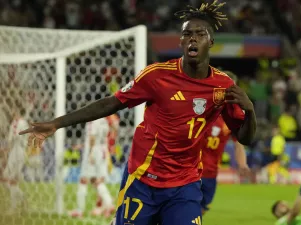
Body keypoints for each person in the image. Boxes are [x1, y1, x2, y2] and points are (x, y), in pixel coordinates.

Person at [19, 1, 257, 224]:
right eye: (187, 34)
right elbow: (111, 103)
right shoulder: (156, 76)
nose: (192, 39)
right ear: (181, 42)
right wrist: (56, 124)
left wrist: (250, 111)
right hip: (144, 178)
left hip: (185, 183)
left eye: (199, 34)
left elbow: (245, 138)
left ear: (211, 41)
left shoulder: (223, 86)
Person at [200, 71, 250, 215]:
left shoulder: (232, 117)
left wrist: (242, 163)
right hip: (191, 170)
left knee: (201, 210)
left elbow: (238, 144)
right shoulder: (202, 108)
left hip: (211, 173)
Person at [69, 117, 114, 218]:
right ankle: (109, 204)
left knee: (83, 180)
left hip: (93, 151)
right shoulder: (104, 121)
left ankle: (79, 211)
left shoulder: (92, 120)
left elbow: (92, 137)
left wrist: (90, 153)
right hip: (102, 150)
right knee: (96, 180)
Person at [3, 109, 29, 213]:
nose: (12, 113)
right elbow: (10, 139)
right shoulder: (13, 122)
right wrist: (6, 150)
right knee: (6, 177)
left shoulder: (23, 123)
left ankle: (13, 207)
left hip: (20, 150)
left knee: (13, 180)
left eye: (14, 111)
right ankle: (22, 199)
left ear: (18, 112)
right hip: (13, 150)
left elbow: (18, 137)